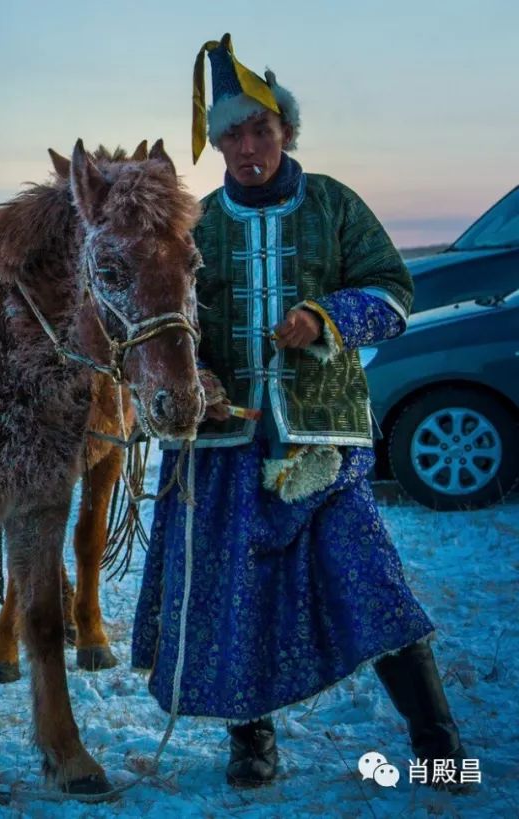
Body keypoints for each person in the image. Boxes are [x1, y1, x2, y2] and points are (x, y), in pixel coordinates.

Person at [131, 33, 471, 791]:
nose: (247, 147)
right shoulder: (196, 228)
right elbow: (166, 324)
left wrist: (325, 317)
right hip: (222, 443)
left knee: (375, 583)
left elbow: (394, 293)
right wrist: (202, 381)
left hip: (323, 440)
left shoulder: (335, 206)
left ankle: (441, 745)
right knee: (234, 596)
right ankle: (252, 744)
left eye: (261, 130)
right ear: (215, 142)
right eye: (231, 135)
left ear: (286, 131)